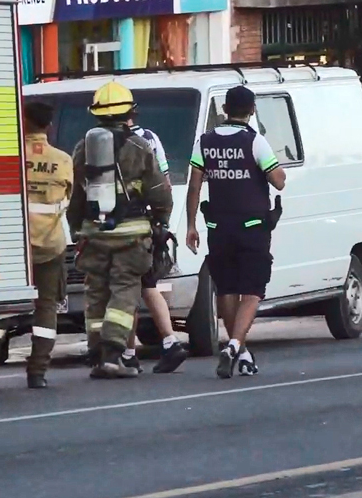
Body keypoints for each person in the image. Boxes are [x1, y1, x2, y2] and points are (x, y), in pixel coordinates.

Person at [0, 100, 72, 391]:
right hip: (51, 246)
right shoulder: (63, 160)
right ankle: (38, 374)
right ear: (48, 125)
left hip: (11, 248)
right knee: (46, 309)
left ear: (22, 120)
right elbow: (69, 200)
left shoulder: (8, 157)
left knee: (0, 308)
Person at [66, 81, 172, 379]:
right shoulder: (140, 146)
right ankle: (113, 352)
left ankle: (97, 352)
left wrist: (77, 230)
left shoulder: (82, 147)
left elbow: (76, 195)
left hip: (93, 233)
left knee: (96, 291)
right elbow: (158, 191)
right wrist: (162, 219)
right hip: (131, 233)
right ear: (130, 113)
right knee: (124, 290)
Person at [185, 86, 287, 379]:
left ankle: (239, 352)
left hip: (218, 227)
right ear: (252, 110)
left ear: (225, 109)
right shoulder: (255, 141)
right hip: (253, 228)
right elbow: (278, 181)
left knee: (227, 289)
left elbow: (195, 186)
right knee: (253, 290)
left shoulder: (205, 142)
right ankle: (234, 344)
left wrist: (192, 225)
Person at [121, 115, 188, 374]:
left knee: (125, 288)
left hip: (122, 226)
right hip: (148, 225)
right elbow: (165, 183)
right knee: (147, 285)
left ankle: (128, 353)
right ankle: (170, 342)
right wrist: (162, 222)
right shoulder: (150, 137)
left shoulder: (107, 142)